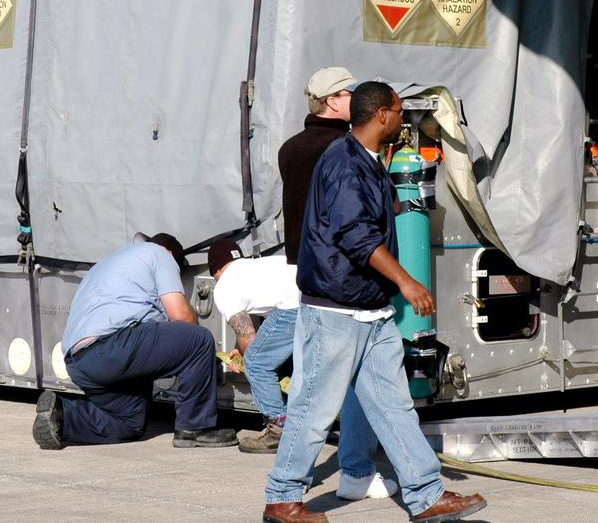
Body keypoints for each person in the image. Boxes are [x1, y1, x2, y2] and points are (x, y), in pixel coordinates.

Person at [263, 82, 487, 523]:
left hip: (371, 312)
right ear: (382, 114)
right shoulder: (345, 163)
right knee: (313, 409)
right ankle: (282, 499)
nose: (403, 119)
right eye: (400, 111)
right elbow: (354, 235)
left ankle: (425, 496)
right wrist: (407, 282)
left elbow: (365, 217)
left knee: (393, 406)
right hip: (336, 312)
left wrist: (401, 210)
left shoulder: (365, 161)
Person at [208, 238, 396, 501]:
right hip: (325, 295)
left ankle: (278, 425)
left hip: (296, 305)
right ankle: (342, 468)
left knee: (259, 364)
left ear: (216, 271)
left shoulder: (223, 286)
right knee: (318, 381)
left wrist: (244, 360)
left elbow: (248, 338)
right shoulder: (257, 266)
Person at [32, 232, 236, 449]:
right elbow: (180, 316)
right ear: (171, 254)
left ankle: (62, 417)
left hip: (79, 362)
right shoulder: (159, 254)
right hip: (112, 346)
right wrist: (205, 361)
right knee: (199, 339)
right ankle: (196, 428)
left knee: (130, 421)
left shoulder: (107, 264)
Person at [278, 67, 359, 264]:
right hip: (337, 263)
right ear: (332, 101)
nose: (358, 100)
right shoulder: (347, 146)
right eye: (352, 94)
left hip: (301, 262)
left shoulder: (288, 148)